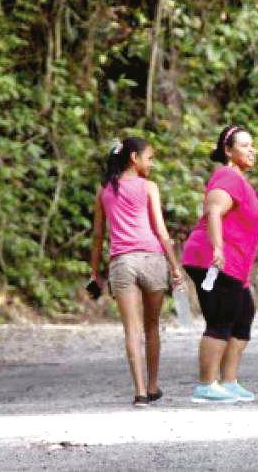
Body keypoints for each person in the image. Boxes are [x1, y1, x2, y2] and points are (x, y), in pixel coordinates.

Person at [89, 137, 183, 407]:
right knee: (152, 327)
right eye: (149, 158)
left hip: (122, 263)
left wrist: (95, 273)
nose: (151, 163)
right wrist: (175, 267)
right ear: (134, 157)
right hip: (152, 259)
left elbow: (97, 236)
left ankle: (140, 392)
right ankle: (153, 385)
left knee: (131, 330)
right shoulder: (149, 187)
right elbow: (162, 233)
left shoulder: (105, 190)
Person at [182, 125, 258, 403]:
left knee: (243, 314)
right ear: (228, 151)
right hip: (214, 258)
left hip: (234, 264)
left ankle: (229, 382)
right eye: (244, 145)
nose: (251, 149)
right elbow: (214, 211)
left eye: (252, 144)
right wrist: (218, 248)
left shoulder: (239, 180)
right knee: (221, 318)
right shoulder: (227, 175)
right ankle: (206, 385)